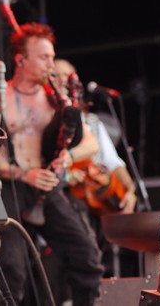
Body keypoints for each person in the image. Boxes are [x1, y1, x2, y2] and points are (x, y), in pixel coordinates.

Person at [0, 23, 103, 306]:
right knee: (12, 268)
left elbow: (91, 144)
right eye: (44, 57)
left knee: (87, 256)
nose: (51, 64)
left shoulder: (55, 100)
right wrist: (26, 174)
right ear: (21, 60)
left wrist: (69, 156)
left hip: (47, 186)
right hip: (11, 186)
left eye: (52, 57)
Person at [53, 59, 137, 215]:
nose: (62, 79)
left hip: (97, 198)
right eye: (55, 75)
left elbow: (112, 161)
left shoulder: (92, 121)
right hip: (68, 198)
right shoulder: (49, 120)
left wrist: (130, 190)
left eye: (66, 75)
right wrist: (68, 176)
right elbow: (48, 166)